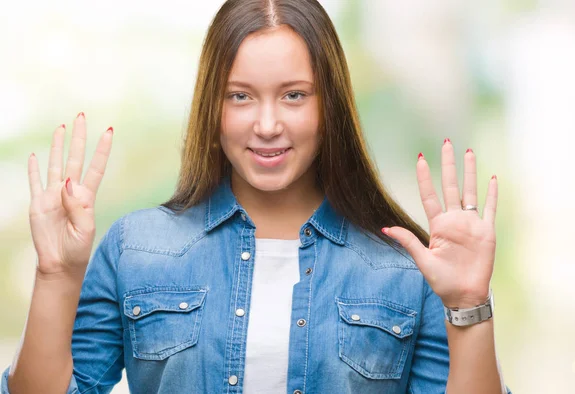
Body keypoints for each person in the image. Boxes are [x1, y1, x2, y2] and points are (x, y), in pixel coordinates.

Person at [2, 0, 512, 393]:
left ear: (328, 105)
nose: (267, 125)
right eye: (240, 96)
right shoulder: (136, 248)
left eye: (294, 95)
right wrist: (57, 275)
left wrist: (469, 307)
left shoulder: (404, 269)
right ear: (212, 105)